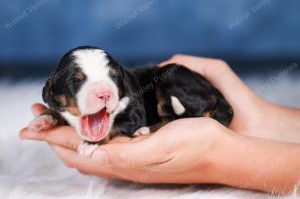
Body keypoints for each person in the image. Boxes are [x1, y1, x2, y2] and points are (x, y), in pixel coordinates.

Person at [19, 55, 300, 195]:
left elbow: (131, 119)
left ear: (121, 82)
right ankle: (178, 120)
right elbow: (71, 112)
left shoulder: (129, 98)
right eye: (79, 81)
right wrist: (54, 117)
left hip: (182, 89)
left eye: (109, 79)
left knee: (172, 79)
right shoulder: (60, 99)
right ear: (53, 93)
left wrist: (216, 155)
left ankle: (203, 114)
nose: (103, 92)